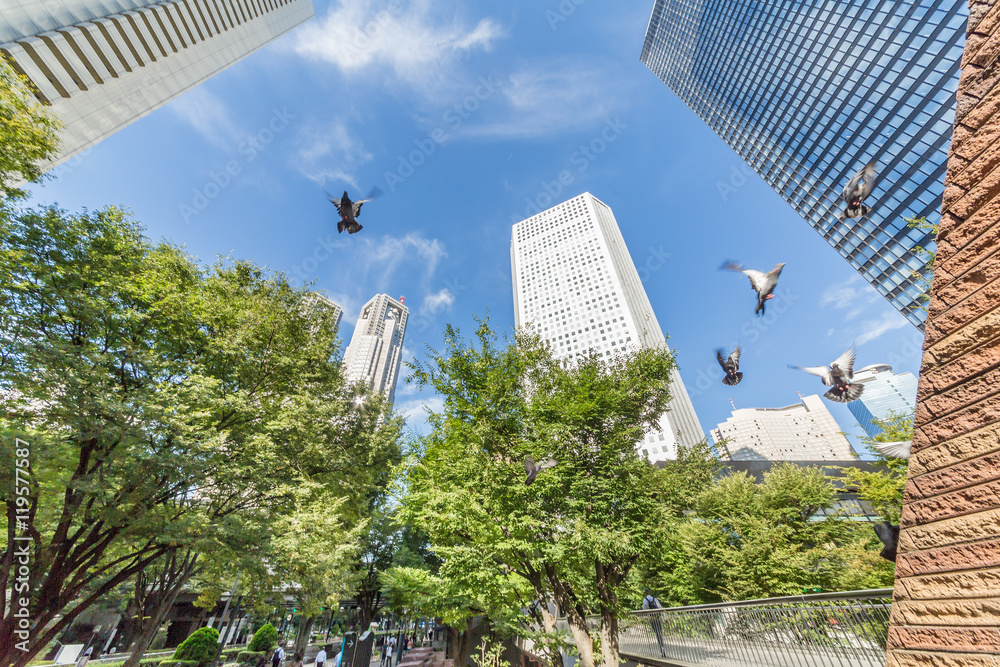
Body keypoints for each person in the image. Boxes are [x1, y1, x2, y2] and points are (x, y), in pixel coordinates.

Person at [642, 589, 666, 658]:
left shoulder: (645, 600)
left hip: (652, 619)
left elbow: (644, 610)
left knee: (657, 633)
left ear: (645, 593)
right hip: (658, 618)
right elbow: (660, 607)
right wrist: (665, 618)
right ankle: (662, 647)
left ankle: (661, 648)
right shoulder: (655, 599)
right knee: (659, 632)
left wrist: (645, 618)